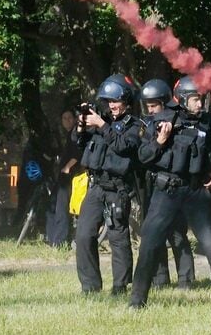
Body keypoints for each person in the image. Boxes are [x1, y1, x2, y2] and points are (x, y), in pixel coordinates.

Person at [128, 76, 211, 308]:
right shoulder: (162, 119)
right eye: (196, 99)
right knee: (149, 243)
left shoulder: (208, 122)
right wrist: (160, 140)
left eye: (202, 99)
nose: (200, 104)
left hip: (196, 190)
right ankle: (137, 301)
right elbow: (143, 156)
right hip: (166, 190)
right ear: (184, 99)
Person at [73, 76, 143, 295]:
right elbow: (78, 141)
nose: (112, 105)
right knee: (83, 235)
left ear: (127, 101)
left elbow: (123, 146)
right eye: (109, 101)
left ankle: (120, 286)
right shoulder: (101, 120)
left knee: (117, 236)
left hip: (117, 188)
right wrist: (82, 125)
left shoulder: (135, 126)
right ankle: (90, 286)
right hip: (95, 186)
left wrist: (102, 126)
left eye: (116, 101)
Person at [137, 79, 195, 289]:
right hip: (153, 185)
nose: (151, 110)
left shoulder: (179, 123)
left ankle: (186, 279)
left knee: (177, 233)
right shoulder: (149, 126)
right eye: (148, 106)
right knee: (153, 233)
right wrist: (158, 141)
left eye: (154, 105)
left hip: (172, 187)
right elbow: (143, 155)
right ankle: (160, 279)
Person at [46, 110, 80, 247]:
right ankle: (52, 239)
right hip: (61, 177)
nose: (67, 120)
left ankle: (60, 241)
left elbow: (78, 154)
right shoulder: (67, 135)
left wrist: (67, 167)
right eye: (64, 118)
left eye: (69, 118)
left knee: (61, 209)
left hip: (70, 177)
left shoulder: (75, 134)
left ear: (74, 119)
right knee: (52, 207)